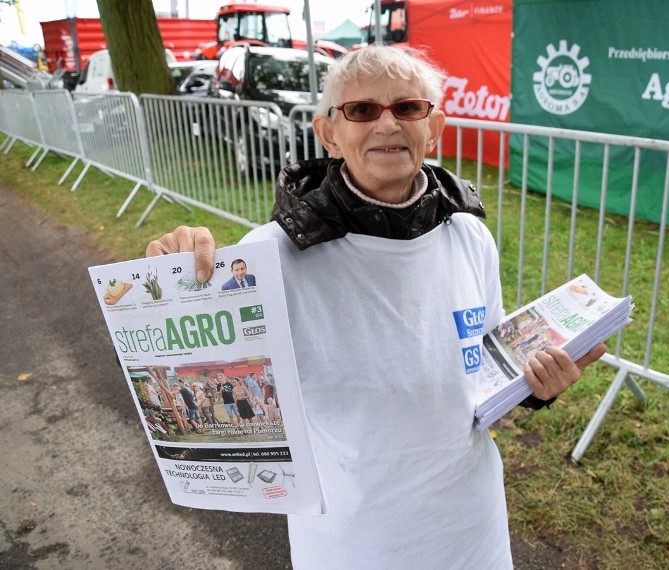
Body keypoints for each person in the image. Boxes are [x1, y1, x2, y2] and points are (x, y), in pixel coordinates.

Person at [146, 45, 606, 569]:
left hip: (470, 531)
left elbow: (480, 370)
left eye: (407, 108)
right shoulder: (265, 256)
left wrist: (532, 388)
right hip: (352, 540)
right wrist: (168, 292)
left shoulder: (470, 236)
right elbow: (180, 388)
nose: (387, 124)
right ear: (328, 134)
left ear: (434, 127)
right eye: (363, 110)